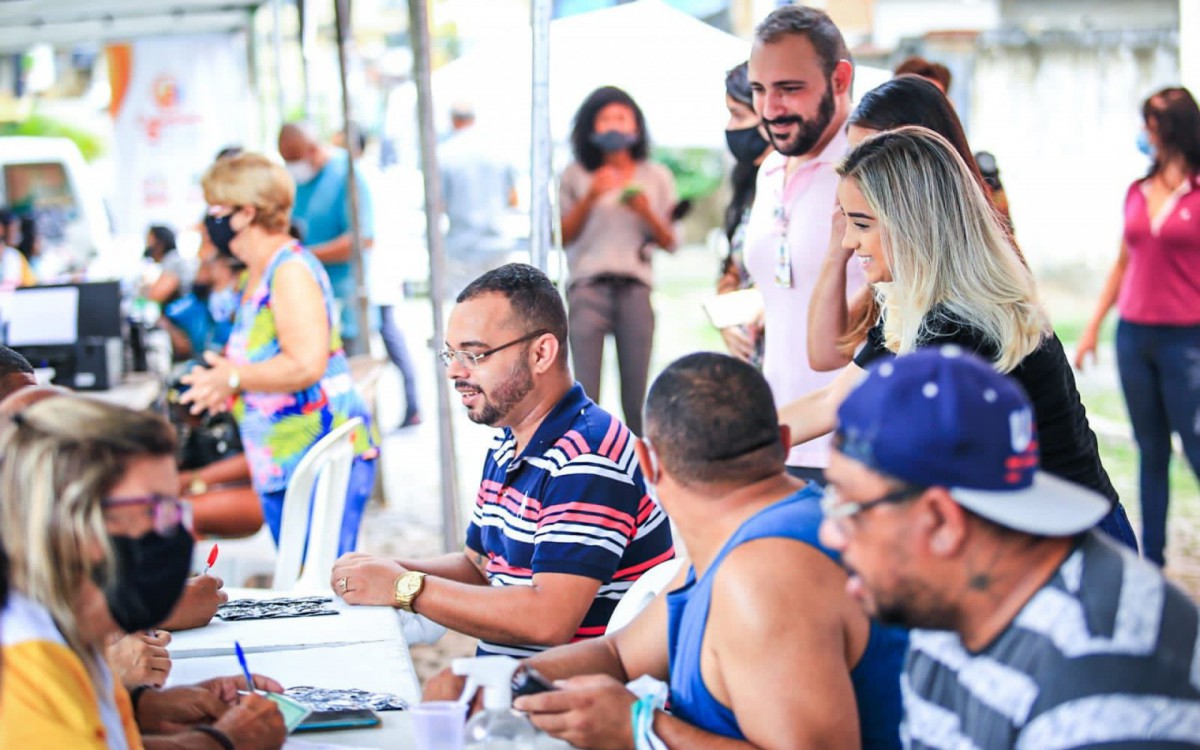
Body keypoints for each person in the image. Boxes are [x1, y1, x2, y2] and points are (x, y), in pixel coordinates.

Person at [470, 352, 909, 749]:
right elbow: (619, 655)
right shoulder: (744, 538)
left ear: (648, 463)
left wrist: (641, 730)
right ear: (785, 442)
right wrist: (497, 684)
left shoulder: (764, 573)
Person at [820, 347, 1200, 749]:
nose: (830, 533)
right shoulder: (948, 602)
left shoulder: (1100, 679)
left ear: (943, 521)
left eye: (848, 507)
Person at [779, 126, 1138, 548]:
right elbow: (830, 401)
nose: (848, 241)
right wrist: (735, 442)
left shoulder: (962, 327)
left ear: (914, 223)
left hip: (1067, 547)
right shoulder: (917, 305)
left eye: (861, 224)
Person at [331, 264, 674, 657]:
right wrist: (384, 569)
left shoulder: (589, 455)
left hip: (571, 701)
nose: (454, 372)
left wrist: (404, 587)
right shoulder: (511, 439)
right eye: (450, 354)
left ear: (541, 353)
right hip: (524, 688)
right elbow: (480, 569)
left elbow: (548, 620)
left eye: (474, 355)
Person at [0, 395, 286, 749]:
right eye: (154, 510)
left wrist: (143, 709)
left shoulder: (68, 637)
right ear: (75, 522)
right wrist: (226, 742)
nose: (176, 531)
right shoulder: (24, 672)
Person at [180, 152, 379, 557]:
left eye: (216, 208)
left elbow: (305, 363)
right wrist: (227, 385)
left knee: (326, 588)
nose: (209, 219)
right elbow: (266, 362)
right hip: (285, 461)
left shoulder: (290, 270)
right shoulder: (260, 271)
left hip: (315, 457)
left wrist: (233, 378)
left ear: (246, 213)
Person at [1076, 86, 1200, 567]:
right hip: (1134, 336)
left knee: (1193, 444)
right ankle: (1154, 559)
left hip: (1186, 339)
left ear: (1172, 130)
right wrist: (1091, 330)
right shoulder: (1137, 190)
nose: (1144, 133)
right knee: (1150, 450)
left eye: (1150, 124)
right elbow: (1122, 265)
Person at [807, 74, 1007, 372]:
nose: (862, 172)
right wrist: (840, 246)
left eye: (878, 157)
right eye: (855, 155)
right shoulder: (896, 275)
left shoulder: (961, 307)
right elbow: (826, 355)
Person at [741, 5, 865, 483]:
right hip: (780, 439)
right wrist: (757, 311)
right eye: (759, 89)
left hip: (858, 447)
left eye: (789, 88)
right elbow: (791, 278)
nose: (770, 108)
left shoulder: (870, 166)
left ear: (839, 79)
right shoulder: (770, 169)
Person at [559, 86, 677, 436]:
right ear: (590, 127)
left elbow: (671, 241)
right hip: (587, 288)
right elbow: (561, 235)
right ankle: (583, 463)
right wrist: (591, 197)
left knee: (637, 392)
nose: (614, 126)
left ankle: (638, 471)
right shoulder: (576, 175)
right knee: (584, 392)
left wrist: (647, 213)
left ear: (636, 126)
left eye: (621, 118)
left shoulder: (655, 176)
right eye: (605, 118)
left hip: (635, 288)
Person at [277, 122, 374, 356]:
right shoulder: (295, 182)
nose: (293, 167)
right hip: (307, 312)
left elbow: (362, 240)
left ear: (312, 149)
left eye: (295, 159)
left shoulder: (347, 173)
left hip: (346, 307)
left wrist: (303, 255)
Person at [715, 61, 772, 366]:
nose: (729, 127)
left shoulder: (797, 184)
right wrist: (726, 318)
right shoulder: (747, 183)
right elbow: (731, 269)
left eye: (738, 115)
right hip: (752, 355)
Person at [440, 100, 521, 296]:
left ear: (453, 120)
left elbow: (439, 204)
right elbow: (513, 198)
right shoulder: (498, 150)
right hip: (497, 243)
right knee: (500, 310)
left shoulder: (444, 153)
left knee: (464, 312)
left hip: (462, 246)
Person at [142, 225, 192, 306]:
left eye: (149, 241)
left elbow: (157, 294)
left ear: (160, 245)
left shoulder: (172, 260)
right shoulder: (170, 260)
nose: (147, 246)